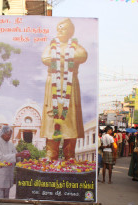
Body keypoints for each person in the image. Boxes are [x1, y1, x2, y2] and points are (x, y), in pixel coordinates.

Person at [40, 18, 87, 160]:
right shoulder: (52, 46)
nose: (60, 30)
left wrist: (58, 58)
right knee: (52, 121)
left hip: (69, 86)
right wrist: (66, 58)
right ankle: (50, 154)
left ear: (70, 31)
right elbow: (45, 58)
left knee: (70, 121)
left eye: (64, 28)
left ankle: (69, 155)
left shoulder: (76, 46)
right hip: (53, 86)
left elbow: (82, 56)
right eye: (58, 28)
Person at [0, 125, 29, 199]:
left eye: (10, 135)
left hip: (8, 177)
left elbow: (16, 157)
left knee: (6, 201)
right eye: (8, 134)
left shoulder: (11, 144)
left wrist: (23, 156)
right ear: (3, 133)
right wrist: (17, 155)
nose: (9, 137)